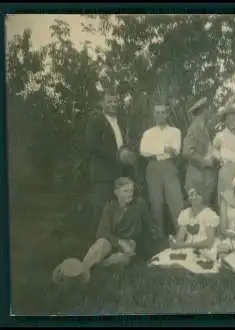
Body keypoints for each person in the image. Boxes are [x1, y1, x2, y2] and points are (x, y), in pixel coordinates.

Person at [52, 177, 158, 284]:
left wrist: (151, 242)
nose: (130, 194)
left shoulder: (139, 204)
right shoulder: (110, 207)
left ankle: (85, 270)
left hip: (129, 241)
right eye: (126, 191)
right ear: (116, 192)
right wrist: (118, 242)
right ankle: (82, 271)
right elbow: (102, 232)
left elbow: (151, 224)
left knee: (123, 259)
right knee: (101, 243)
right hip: (112, 240)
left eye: (131, 191)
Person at [148, 186, 221, 274]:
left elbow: (209, 242)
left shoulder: (209, 214)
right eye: (191, 196)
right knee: (172, 258)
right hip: (188, 246)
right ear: (189, 199)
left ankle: (189, 266)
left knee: (195, 261)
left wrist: (184, 245)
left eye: (197, 195)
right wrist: (175, 242)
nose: (194, 198)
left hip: (204, 247)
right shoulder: (185, 213)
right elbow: (180, 238)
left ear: (202, 198)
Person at [86, 92, 131, 231]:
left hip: (120, 173)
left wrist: (128, 153)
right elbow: (93, 145)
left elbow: (125, 143)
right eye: (109, 101)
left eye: (115, 102)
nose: (113, 104)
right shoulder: (96, 123)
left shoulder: (122, 122)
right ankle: (99, 243)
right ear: (102, 104)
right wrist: (117, 155)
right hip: (103, 174)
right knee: (102, 210)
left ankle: (117, 242)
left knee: (118, 209)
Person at [139, 103, 184, 236]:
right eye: (157, 112)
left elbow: (175, 151)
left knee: (176, 201)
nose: (160, 115)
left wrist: (156, 149)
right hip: (153, 167)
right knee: (156, 202)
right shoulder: (148, 133)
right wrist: (163, 149)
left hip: (169, 166)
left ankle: (181, 234)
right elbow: (143, 151)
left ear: (167, 114)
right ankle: (159, 237)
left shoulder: (175, 131)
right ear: (154, 115)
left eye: (163, 112)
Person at [182, 97, 218, 208]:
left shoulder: (204, 128)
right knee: (198, 207)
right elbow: (187, 152)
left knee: (205, 206)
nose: (210, 113)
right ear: (204, 111)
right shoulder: (195, 128)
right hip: (197, 174)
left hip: (205, 174)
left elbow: (216, 119)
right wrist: (204, 162)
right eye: (208, 110)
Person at [212, 105, 235, 208]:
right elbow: (214, 149)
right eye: (228, 119)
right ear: (225, 121)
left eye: (234, 118)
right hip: (227, 166)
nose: (231, 121)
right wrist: (219, 159)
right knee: (226, 193)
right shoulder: (220, 135)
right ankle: (227, 219)